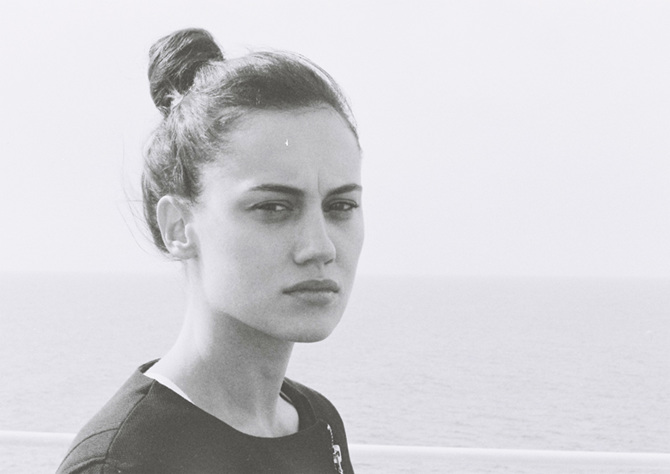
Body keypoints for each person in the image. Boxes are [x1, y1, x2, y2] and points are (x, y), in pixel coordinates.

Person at [57, 27, 363, 474]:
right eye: (273, 207)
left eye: (341, 206)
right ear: (178, 226)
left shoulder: (316, 421)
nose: (320, 247)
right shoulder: (122, 463)